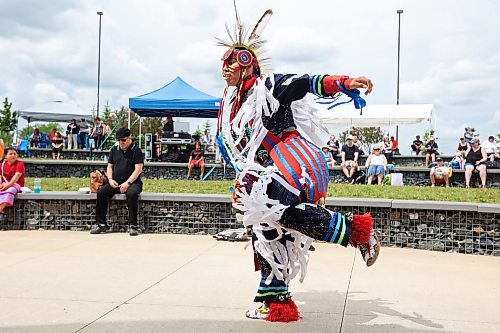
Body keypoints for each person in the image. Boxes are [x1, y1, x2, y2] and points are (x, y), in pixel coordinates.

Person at [216, 6, 378, 322]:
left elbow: (305, 82)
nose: (225, 67)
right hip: (263, 175)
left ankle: (358, 232)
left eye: (232, 61)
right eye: (223, 62)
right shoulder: (234, 105)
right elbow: (248, 151)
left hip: (289, 167)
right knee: (267, 231)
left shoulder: (268, 88)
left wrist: (343, 82)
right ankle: (277, 303)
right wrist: (243, 182)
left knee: (275, 213)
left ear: (247, 64)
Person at [91, 127, 144, 236]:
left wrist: (127, 183)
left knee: (132, 194)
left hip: (133, 183)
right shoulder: (114, 149)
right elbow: (109, 166)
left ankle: (133, 225)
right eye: (119, 140)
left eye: (123, 140)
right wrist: (110, 179)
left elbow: (138, 169)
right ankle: (101, 223)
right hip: (115, 182)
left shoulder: (136, 150)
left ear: (129, 138)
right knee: (101, 193)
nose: (121, 143)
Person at [0, 148, 25, 222]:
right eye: (10, 154)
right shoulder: (2, 165)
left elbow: (17, 176)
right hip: (4, 183)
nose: (13, 155)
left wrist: (7, 186)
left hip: (16, 184)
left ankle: (1, 208)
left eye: (15, 154)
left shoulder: (20, 164)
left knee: (11, 190)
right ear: (5, 155)